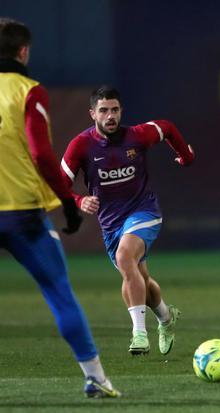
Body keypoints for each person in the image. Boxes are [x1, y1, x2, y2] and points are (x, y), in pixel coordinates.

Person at [0, 18, 119, 398]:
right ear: (23, 52)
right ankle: (96, 378)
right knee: (58, 293)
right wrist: (68, 202)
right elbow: (40, 153)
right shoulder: (28, 91)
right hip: (22, 215)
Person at [60, 86, 194, 355]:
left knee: (124, 257)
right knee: (140, 281)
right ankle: (166, 318)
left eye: (115, 110)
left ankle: (139, 334)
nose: (110, 116)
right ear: (92, 114)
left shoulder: (136, 136)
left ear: (121, 111)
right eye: (104, 110)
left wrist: (185, 155)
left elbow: (166, 127)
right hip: (111, 224)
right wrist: (78, 200)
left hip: (145, 211)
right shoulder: (81, 145)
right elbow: (59, 183)